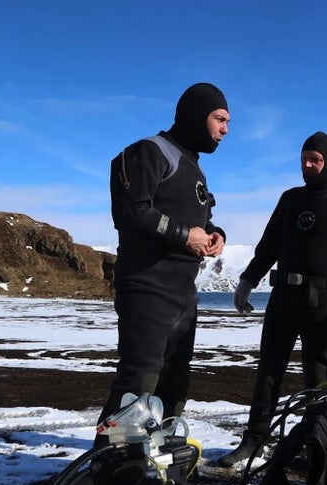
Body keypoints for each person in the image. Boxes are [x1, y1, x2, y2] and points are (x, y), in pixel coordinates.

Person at [219, 131, 327, 467]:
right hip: (283, 297)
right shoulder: (289, 199)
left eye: (315, 159)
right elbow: (268, 246)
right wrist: (247, 281)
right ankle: (254, 441)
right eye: (304, 158)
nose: (308, 164)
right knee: (269, 370)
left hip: (322, 302)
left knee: (318, 375)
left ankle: (319, 446)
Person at [97, 82, 230, 434]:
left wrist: (215, 234)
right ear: (196, 115)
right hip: (147, 287)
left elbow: (194, 220)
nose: (225, 129)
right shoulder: (150, 152)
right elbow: (130, 211)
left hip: (183, 294)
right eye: (219, 119)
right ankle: (106, 471)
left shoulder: (195, 169)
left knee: (173, 388)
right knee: (137, 388)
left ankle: (156, 465)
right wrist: (185, 236)